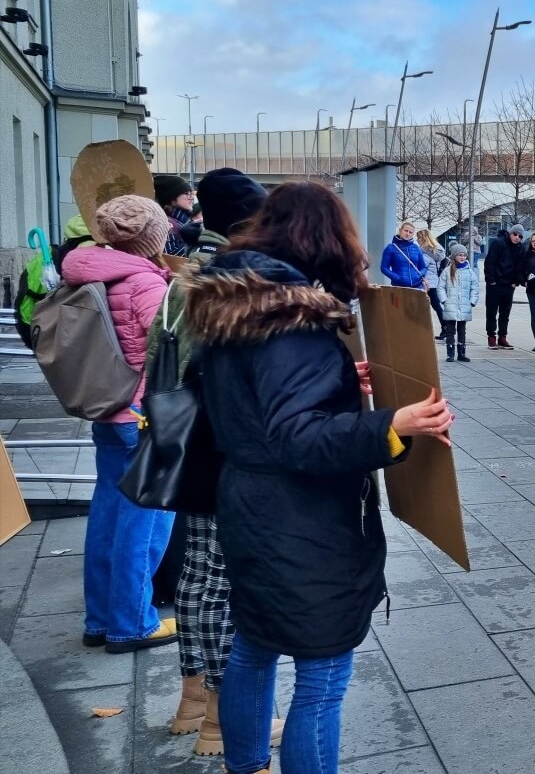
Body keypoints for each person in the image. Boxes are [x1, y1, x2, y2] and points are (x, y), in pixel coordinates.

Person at [183, 181, 453, 774]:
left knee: (254, 645)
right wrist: (395, 423)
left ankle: (248, 764)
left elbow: (260, 405)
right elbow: (297, 437)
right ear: (325, 238)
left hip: (250, 503)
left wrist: (334, 382)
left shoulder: (238, 301)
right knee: (322, 675)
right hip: (299, 519)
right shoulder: (292, 318)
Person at [149, 169, 274, 756]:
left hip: (184, 437)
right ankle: (223, 720)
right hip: (222, 442)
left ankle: (193, 702)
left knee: (198, 574)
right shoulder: (232, 278)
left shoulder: (183, 273)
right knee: (224, 579)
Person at [63, 195, 175, 654]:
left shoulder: (85, 272)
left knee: (107, 512)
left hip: (106, 410)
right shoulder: (144, 283)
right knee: (145, 520)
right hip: (140, 413)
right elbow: (172, 347)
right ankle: (132, 622)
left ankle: (100, 619)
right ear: (151, 239)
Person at [485, 224, 526, 349]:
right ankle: (491, 336)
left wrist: (516, 282)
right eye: (515, 234)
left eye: (520, 236)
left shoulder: (520, 248)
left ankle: (502, 337)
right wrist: (491, 280)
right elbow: (490, 262)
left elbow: (520, 267)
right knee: (491, 312)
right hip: (495, 284)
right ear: (510, 233)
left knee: (505, 313)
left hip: (509, 285)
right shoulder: (498, 243)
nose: (517, 237)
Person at [439, 243, 480, 363]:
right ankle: (450, 353)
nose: (462, 257)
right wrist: (444, 300)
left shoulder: (469, 271)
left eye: (464, 255)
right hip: (450, 305)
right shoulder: (447, 271)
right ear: (454, 256)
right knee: (450, 330)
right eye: (460, 255)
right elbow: (440, 287)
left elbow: (475, 287)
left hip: (464, 305)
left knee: (462, 330)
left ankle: (461, 352)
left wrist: (472, 301)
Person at [154, 174, 196, 257]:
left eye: (191, 193)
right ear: (172, 198)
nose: (191, 197)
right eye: (187, 193)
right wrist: (194, 243)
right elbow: (169, 258)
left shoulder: (185, 221)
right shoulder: (167, 225)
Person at [380, 221, 429, 292]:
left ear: (412, 234)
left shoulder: (416, 248)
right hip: (399, 288)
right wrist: (397, 278)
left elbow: (423, 267)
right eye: (406, 230)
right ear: (400, 230)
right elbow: (384, 268)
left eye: (410, 232)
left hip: (417, 287)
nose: (408, 234)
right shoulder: (390, 248)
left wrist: (419, 275)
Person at [418, 229, 448, 340]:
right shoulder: (436, 249)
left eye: (419, 238)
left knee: (435, 305)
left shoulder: (426, 251)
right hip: (433, 281)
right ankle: (445, 328)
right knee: (436, 306)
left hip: (427, 282)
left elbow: (422, 265)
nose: (417, 240)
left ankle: (446, 328)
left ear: (424, 238)